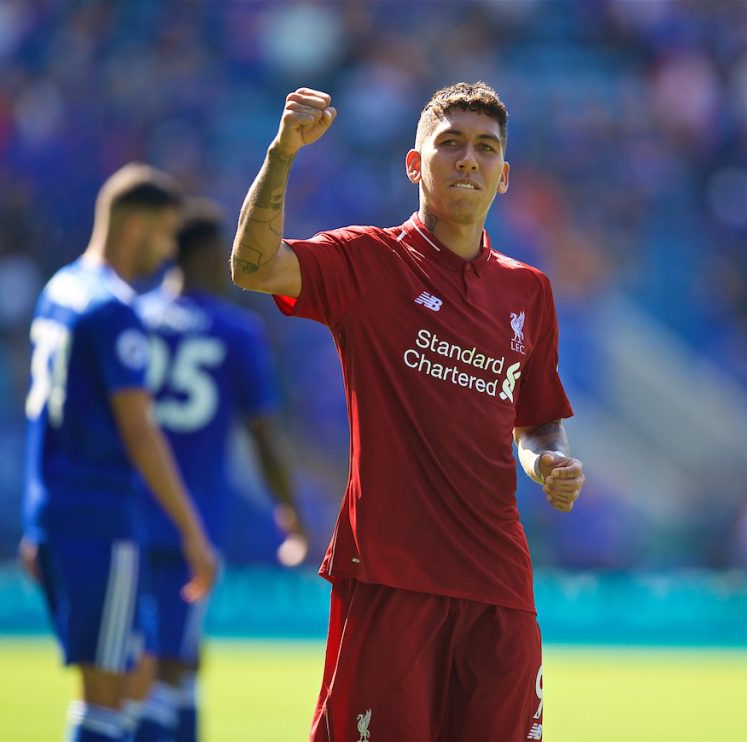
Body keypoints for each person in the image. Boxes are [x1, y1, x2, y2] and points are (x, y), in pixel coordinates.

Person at [230, 82, 586, 741]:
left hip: (500, 586)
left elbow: (535, 419)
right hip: (391, 576)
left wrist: (546, 460)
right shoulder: (368, 261)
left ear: (504, 176)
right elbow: (253, 267)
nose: (467, 160)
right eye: (449, 144)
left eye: (485, 149)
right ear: (414, 164)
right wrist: (283, 152)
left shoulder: (528, 290)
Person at [20, 163, 217, 742]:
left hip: (60, 512)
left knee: (134, 678)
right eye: (163, 235)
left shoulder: (60, 289)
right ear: (135, 227)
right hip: (99, 518)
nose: (166, 253)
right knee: (106, 696)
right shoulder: (113, 309)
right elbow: (141, 431)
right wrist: (191, 531)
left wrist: (34, 521)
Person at [134, 200, 310, 741]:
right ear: (212, 254)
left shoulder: (132, 319)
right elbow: (263, 435)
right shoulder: (235, 332)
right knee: (174, 665)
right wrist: (291, 512)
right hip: (191, 517)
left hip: (125, 513)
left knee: (134, 661)